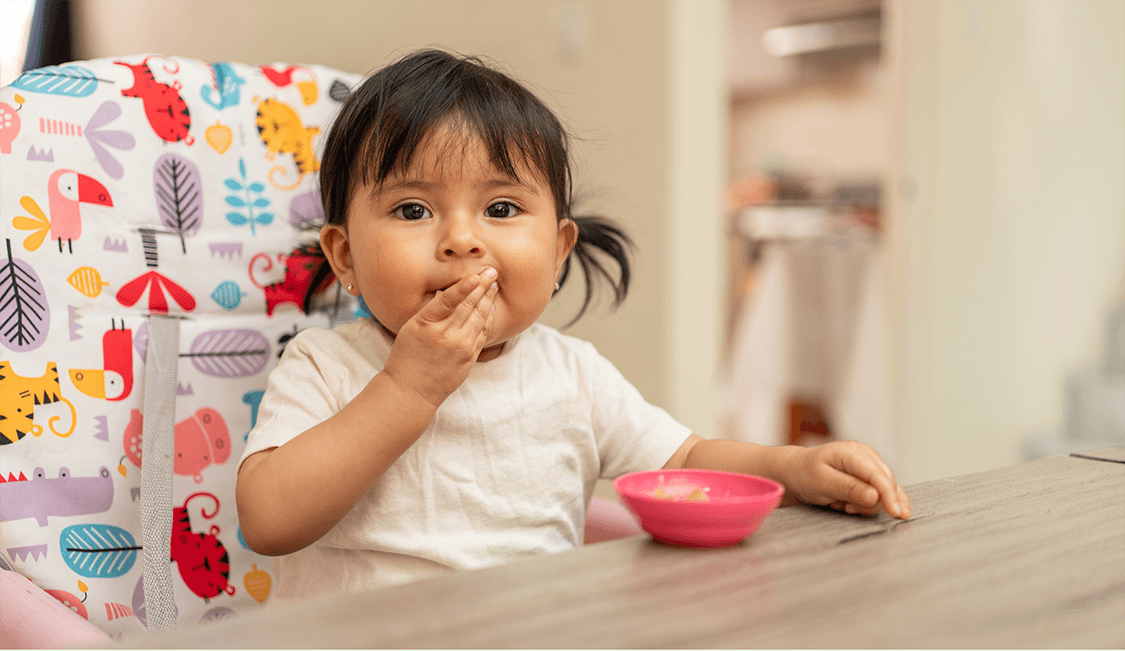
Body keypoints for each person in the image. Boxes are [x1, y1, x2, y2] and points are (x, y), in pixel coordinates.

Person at [235, 48, 910, 602]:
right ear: (345, 257)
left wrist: (794, 466)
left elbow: (684, 461)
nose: (463, 239)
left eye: (501, 208)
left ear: (558, 251)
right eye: (413, 210)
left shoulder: (572, 375)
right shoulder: (325, 364)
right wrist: (407, 389)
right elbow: (267, 520)